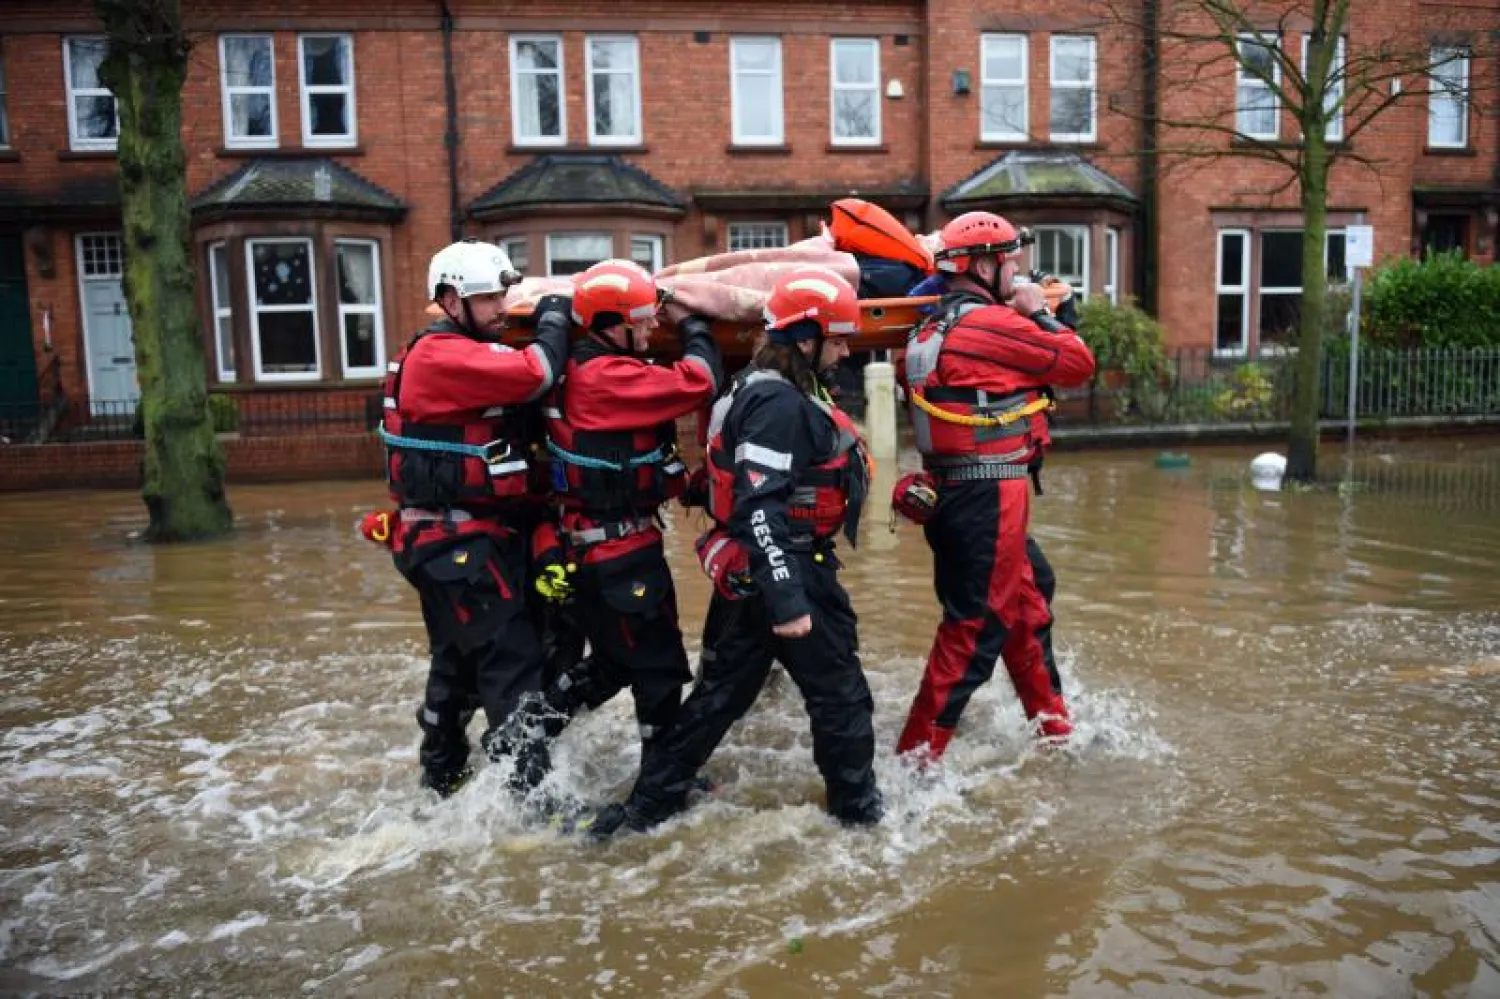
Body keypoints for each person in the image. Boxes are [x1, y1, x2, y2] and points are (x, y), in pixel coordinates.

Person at [582, 267, 884, 838]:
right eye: (839, 338)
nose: (846, 350)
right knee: (842, 700)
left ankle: (642, 814)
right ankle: (861, 821)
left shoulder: (757, 387)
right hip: (787, 571)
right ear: (805, 337)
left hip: (751, 576)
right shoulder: (778, 405)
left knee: (716, 702)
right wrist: (790, 602)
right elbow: (761, 508)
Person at [893, 211, 1095, 762]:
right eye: (1010, 264)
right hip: (988, 497)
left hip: (960, 496)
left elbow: (997, 378)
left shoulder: (928, 329)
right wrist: (1044, 315)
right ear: (983, 266)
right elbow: (1078, 364)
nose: (1018, 275)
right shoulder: (992, 325)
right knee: (975, 628)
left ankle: (1054, 732)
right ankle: (914, 764)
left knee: (1028, 607)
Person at [378, 239, 572, 799]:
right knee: (512, 661)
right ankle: (535, 808)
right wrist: (555, 317)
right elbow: (537, 371)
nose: (502, 306)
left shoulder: (457, 351)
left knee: (459, 662)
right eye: (488, 297)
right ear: (450, 301)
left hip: (449, 539)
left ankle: (441, 781)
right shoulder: (444, 355)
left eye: (505, 293)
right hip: (458, 540)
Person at [530, 259, 723, 760]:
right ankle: (662, 784)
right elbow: (700, 380)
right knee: (657, 669)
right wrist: (695, 325)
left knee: (615, 662)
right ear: (610, 325)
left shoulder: (578, 368)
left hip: (594, 547)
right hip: (619, 554)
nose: (653, 326)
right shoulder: (606, 377)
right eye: (643, 320)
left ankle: (522, 741)